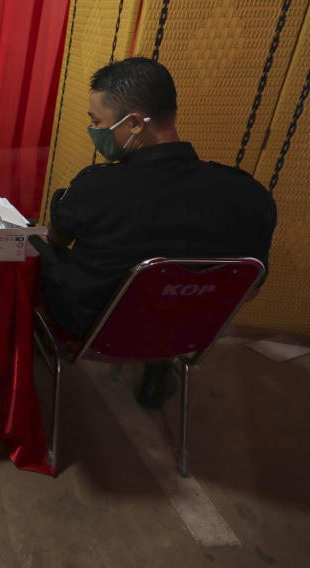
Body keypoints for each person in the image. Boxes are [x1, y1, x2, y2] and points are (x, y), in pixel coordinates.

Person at [34, 57, 276, 408]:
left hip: (92, 329)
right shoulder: (250, 196)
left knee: (30, 245)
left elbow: (56, 240)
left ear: (134, 123)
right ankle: (157, 368)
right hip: (189, 331)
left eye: (97, 122)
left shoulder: (96, 187)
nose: (94, 130)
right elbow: (250, 289)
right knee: (171, 290)